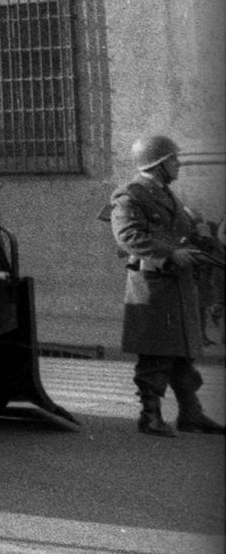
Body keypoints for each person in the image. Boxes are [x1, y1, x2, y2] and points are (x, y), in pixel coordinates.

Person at [108, 134, 226, 436]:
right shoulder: (130, 195)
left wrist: (204, 242)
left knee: (182, 356)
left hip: (176, 288)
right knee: (156, 356)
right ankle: (150, 416)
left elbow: (183, 233)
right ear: (158, 164)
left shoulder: (167, 194)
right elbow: (128, 237)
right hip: (153, 287)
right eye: (174, 159)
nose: (179, 164)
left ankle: (191, 414)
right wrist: (171, 253)